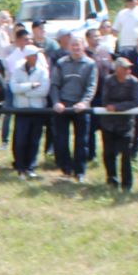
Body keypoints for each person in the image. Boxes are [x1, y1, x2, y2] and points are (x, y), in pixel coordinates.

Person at [49, 35, 98, 181]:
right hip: (63, 106)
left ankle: (80, 171)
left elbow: (91, 86)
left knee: (81, 142)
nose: (76, 48)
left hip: (81, 107)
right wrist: (57, 102)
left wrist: (84, 103)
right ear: (68, 47)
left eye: (79, 45)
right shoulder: (60, 63)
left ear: (83, 46)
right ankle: (66, 168)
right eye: (73, 45)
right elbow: (55, 85)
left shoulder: (90, 64)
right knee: (61, 140)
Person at [99, 57, 138, 192]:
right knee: (108, 153)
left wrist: (117, 107)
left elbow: (135, 102)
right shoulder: (108, 81)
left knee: (126, 155)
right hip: (109, 124)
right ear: (117, 69)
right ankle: (111, 178)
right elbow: (104, 101)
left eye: (129, 68)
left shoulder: (134, 82)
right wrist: (111, 107)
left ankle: (127, 183)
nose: (128, 70)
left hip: (126, 124)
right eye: (124, 68)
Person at [7, 46, 49, 178]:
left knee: (34, 140)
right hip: (22, 109)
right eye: (33, 55)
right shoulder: (18, 71)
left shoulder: (43, 71)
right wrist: (31, 86)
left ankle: (31, 167)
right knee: (21, 140)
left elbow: (43, 91)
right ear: (27, 57)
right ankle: (20, 167)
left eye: (36, 55)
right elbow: (14, 88)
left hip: (37, 109)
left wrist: (24, 92)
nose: (35, 58)